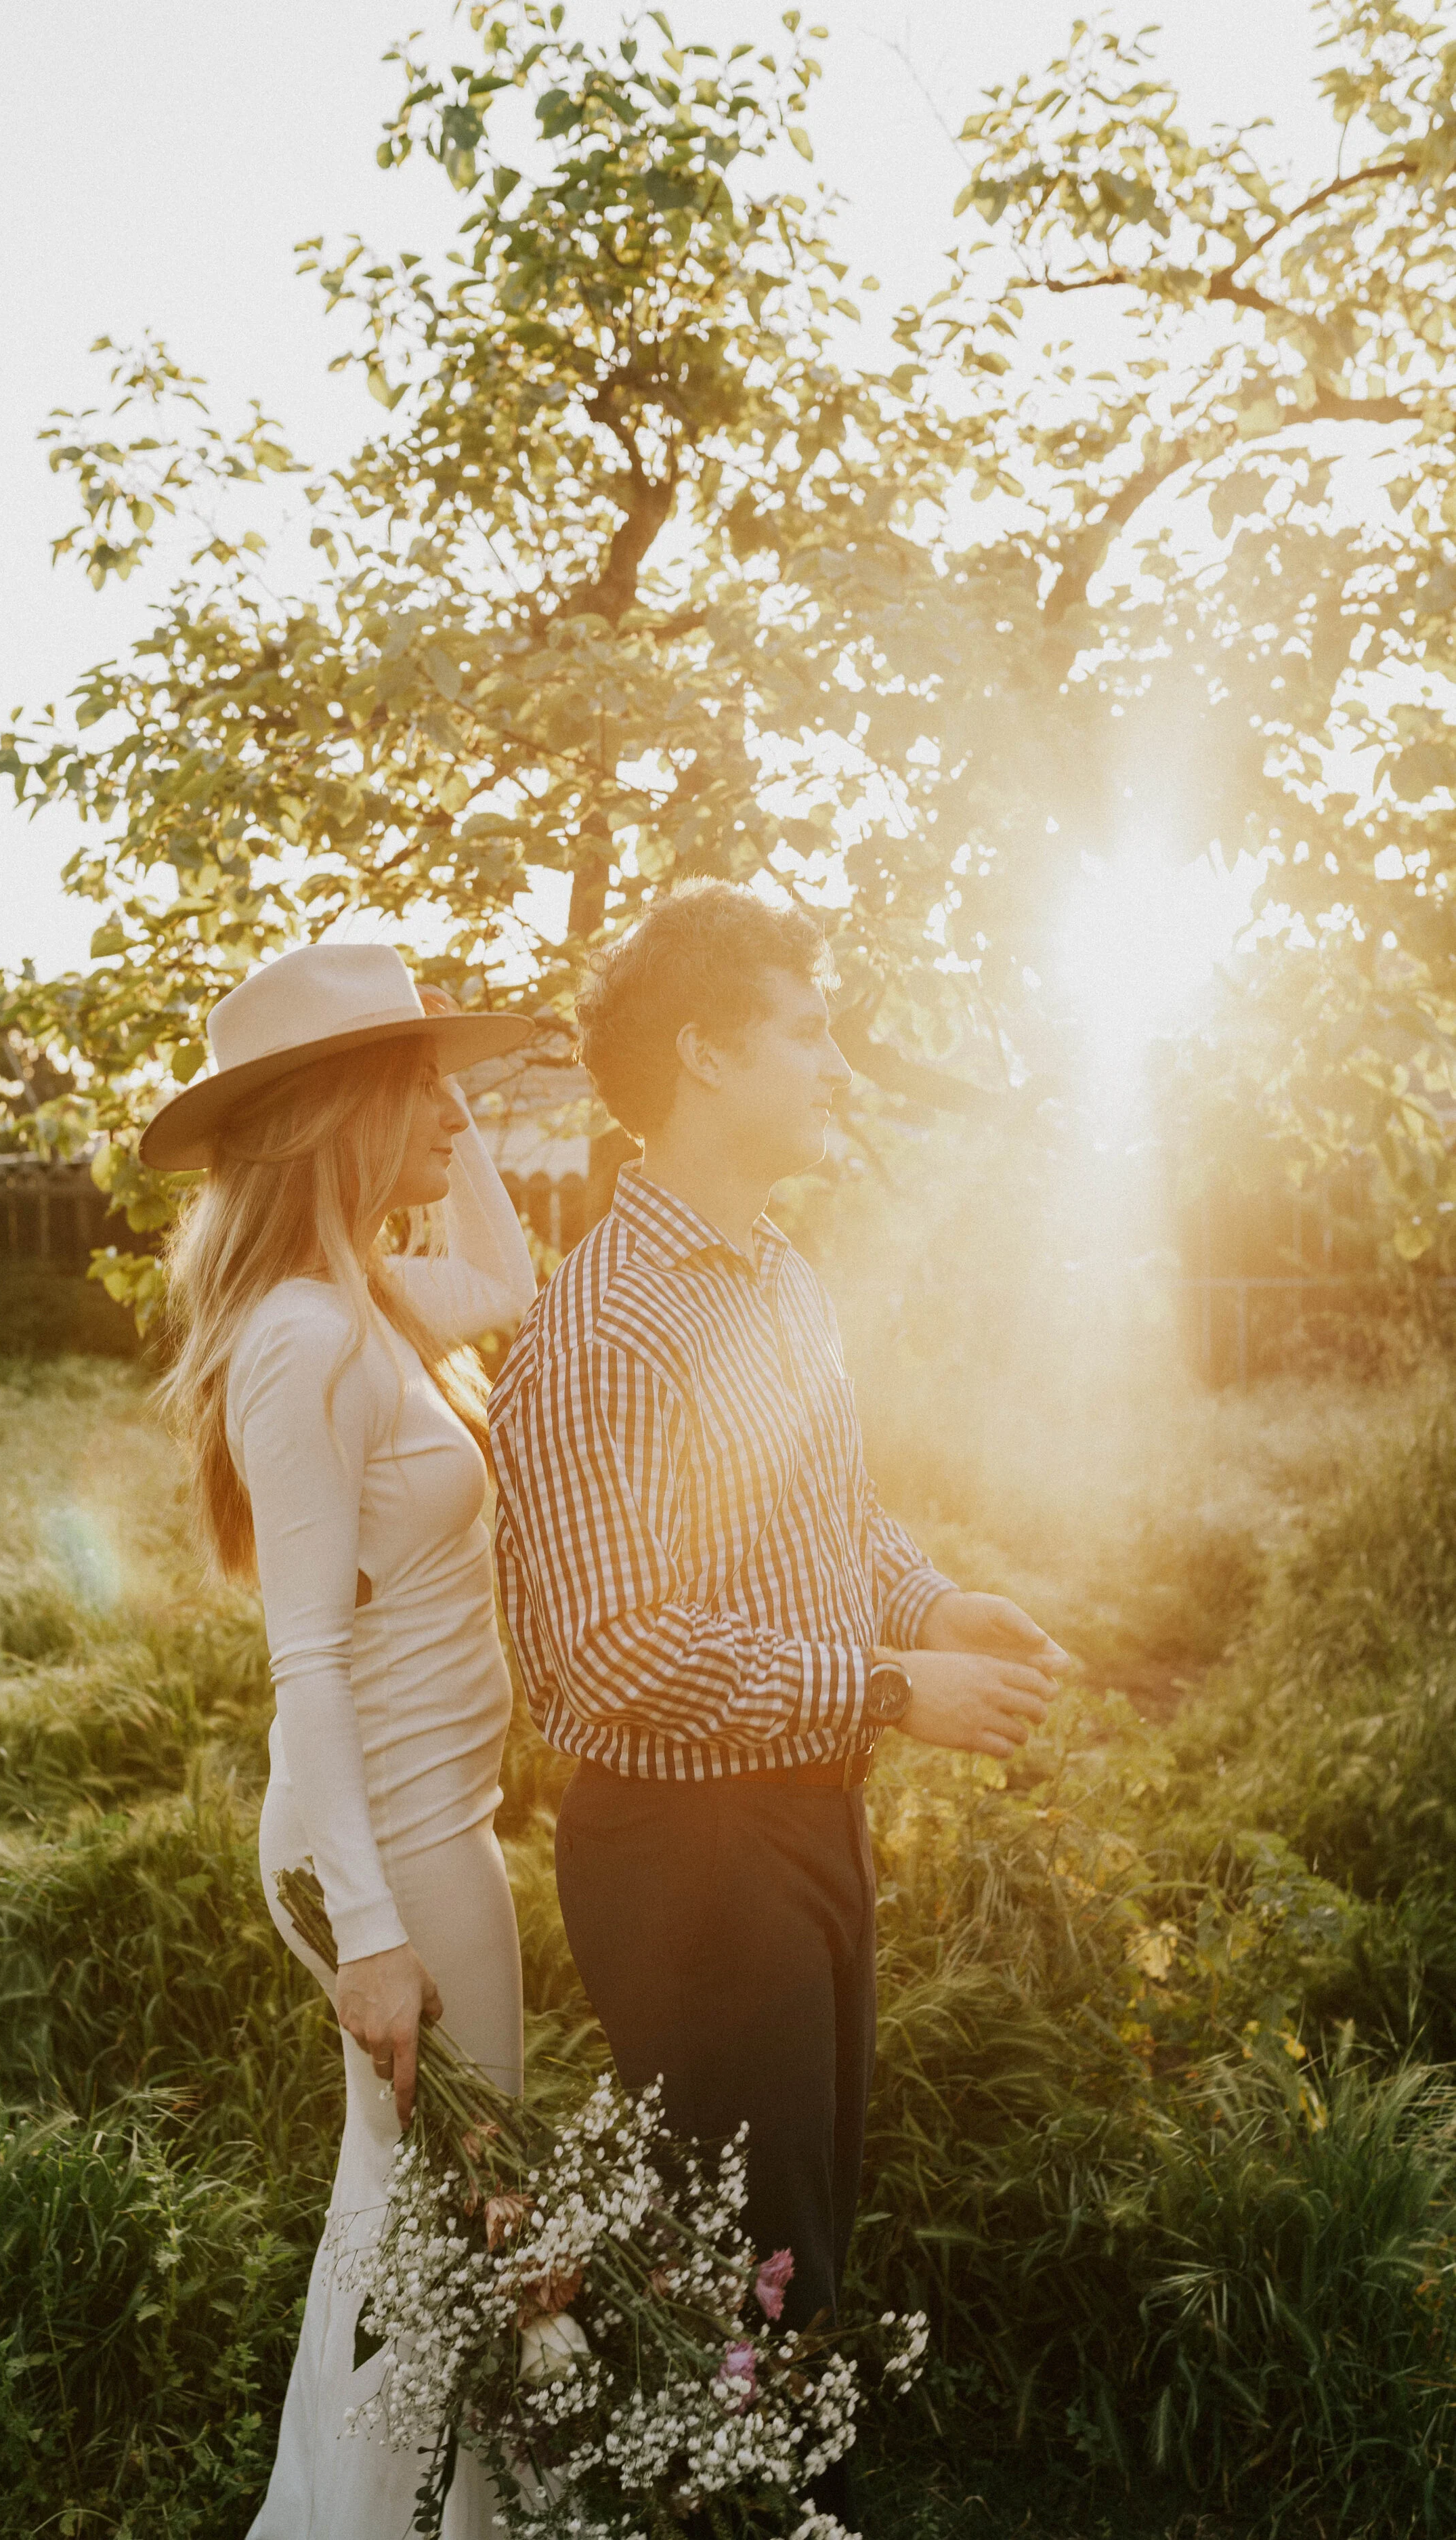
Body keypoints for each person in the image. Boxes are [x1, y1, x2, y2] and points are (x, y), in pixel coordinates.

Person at [488, 883, 1065, 2498]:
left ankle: (752, 2485)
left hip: (804, 1824)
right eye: (804, 1033)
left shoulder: (775, 1273)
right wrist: (889, 1686)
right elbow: (612, 1652)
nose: (833, 1066)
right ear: (704, 1053)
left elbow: (826, 1523)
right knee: (756, 2254)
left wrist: (941, 1600)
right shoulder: (604, 1324)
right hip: (684, 1858)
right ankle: (757, 2502)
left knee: (798, 2223)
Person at [142, 941, 536, 2540]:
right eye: (416, 1078)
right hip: (392, 1842)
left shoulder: (363, 1302)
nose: (448, 1104)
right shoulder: (303, 1339)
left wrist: (464, 1117)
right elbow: (299, 1656)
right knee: (457, 2223)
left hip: (428, 1821)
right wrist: (370, 1939)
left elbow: (507, 1284)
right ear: (334, 1111)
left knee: (430, 2213)